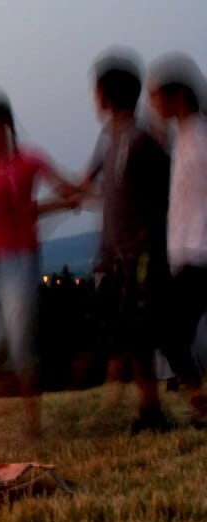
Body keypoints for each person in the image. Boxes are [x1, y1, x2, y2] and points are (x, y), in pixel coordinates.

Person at [0, 90, 81, 441]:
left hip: (20, 261)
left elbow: (67, 190)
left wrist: (76, 195)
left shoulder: (29, 162)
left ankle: (32, 422)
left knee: (20, 340)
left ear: (5, 125)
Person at [80, 50, 172, 433]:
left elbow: (161, 196)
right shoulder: (108, 137)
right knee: (126, 333)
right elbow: (85, 185)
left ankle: (152, 409)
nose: (94, 98)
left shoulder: (143, 139)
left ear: (108, 94)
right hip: (114, 254)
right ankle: (147, 408)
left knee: (140, 333)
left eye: (96, 90)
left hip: (141, 251)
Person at [147, 53, 207, 428]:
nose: (152, 105)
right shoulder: (183, 137)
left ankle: (198, 399)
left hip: (201, 250)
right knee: (171, 331)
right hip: (184, 251)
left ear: (177, 97)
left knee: (169, 329)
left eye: (156, 96)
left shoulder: (200, 137)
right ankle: (197, 398)